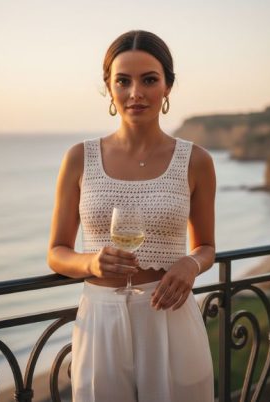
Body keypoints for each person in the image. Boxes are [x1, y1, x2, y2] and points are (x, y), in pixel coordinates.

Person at [47, 30, 215, 402]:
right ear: (109, 88)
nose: (135, 93)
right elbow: (57, 251)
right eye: (123, 81)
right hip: (100, 321)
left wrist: (190, 264)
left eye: (149, 80)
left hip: (171, 315)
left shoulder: (196, 161)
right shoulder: (79, 158)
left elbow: (206, 246)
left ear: (168, 87)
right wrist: (91, 262)